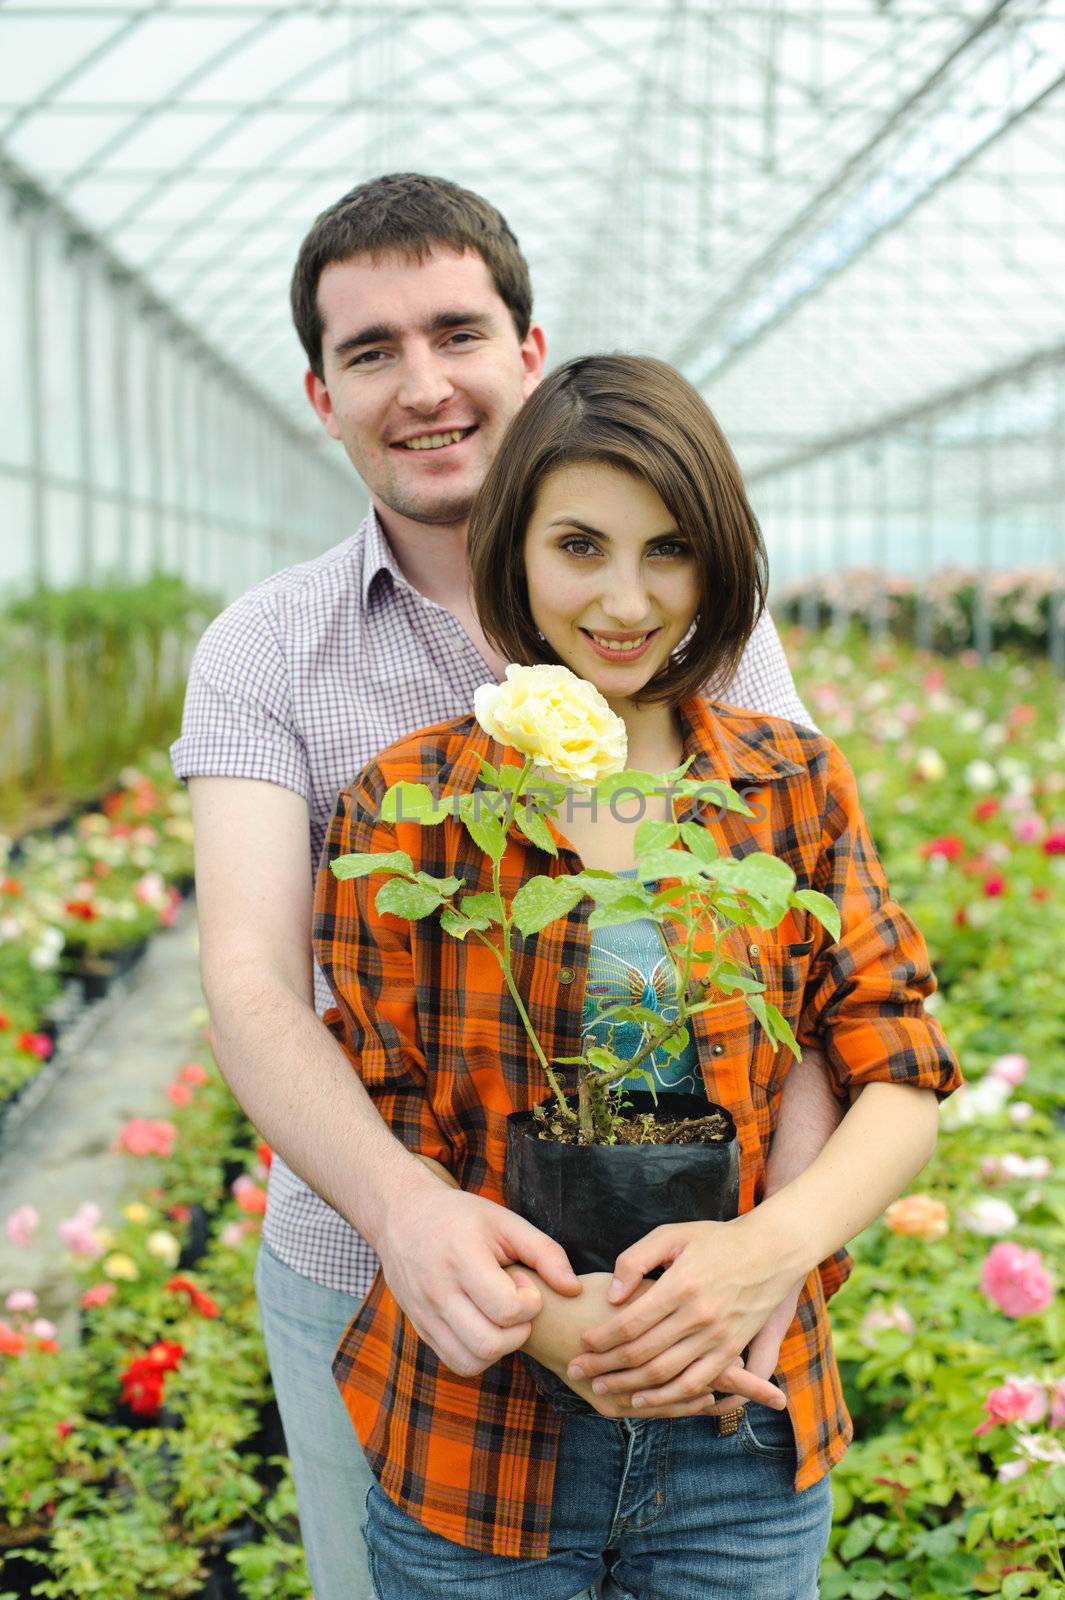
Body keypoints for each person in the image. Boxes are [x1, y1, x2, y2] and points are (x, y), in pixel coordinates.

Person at [174, 175, 847, 1599]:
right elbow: (247, 978)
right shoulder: (269, 650)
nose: (422, 386)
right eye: (370, 352)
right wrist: (409, 1216)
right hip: (385, 1278)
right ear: (319, 391)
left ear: (528, 357)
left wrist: (773, 1260)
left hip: (689, 1295)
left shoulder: (686, 623)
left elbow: (801, 974)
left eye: (456, 333)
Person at [312, 353, 962, 1599]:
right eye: (580, 546)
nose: (626, 598)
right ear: (516, 553)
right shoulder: (414, 802)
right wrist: (553, 1323)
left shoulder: (788, 783)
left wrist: (774, 1247)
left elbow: (901, 1068)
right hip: (480, 1426)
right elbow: (383, 1108)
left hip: (742, 1426)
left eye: (668, 548)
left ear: (719, 560)